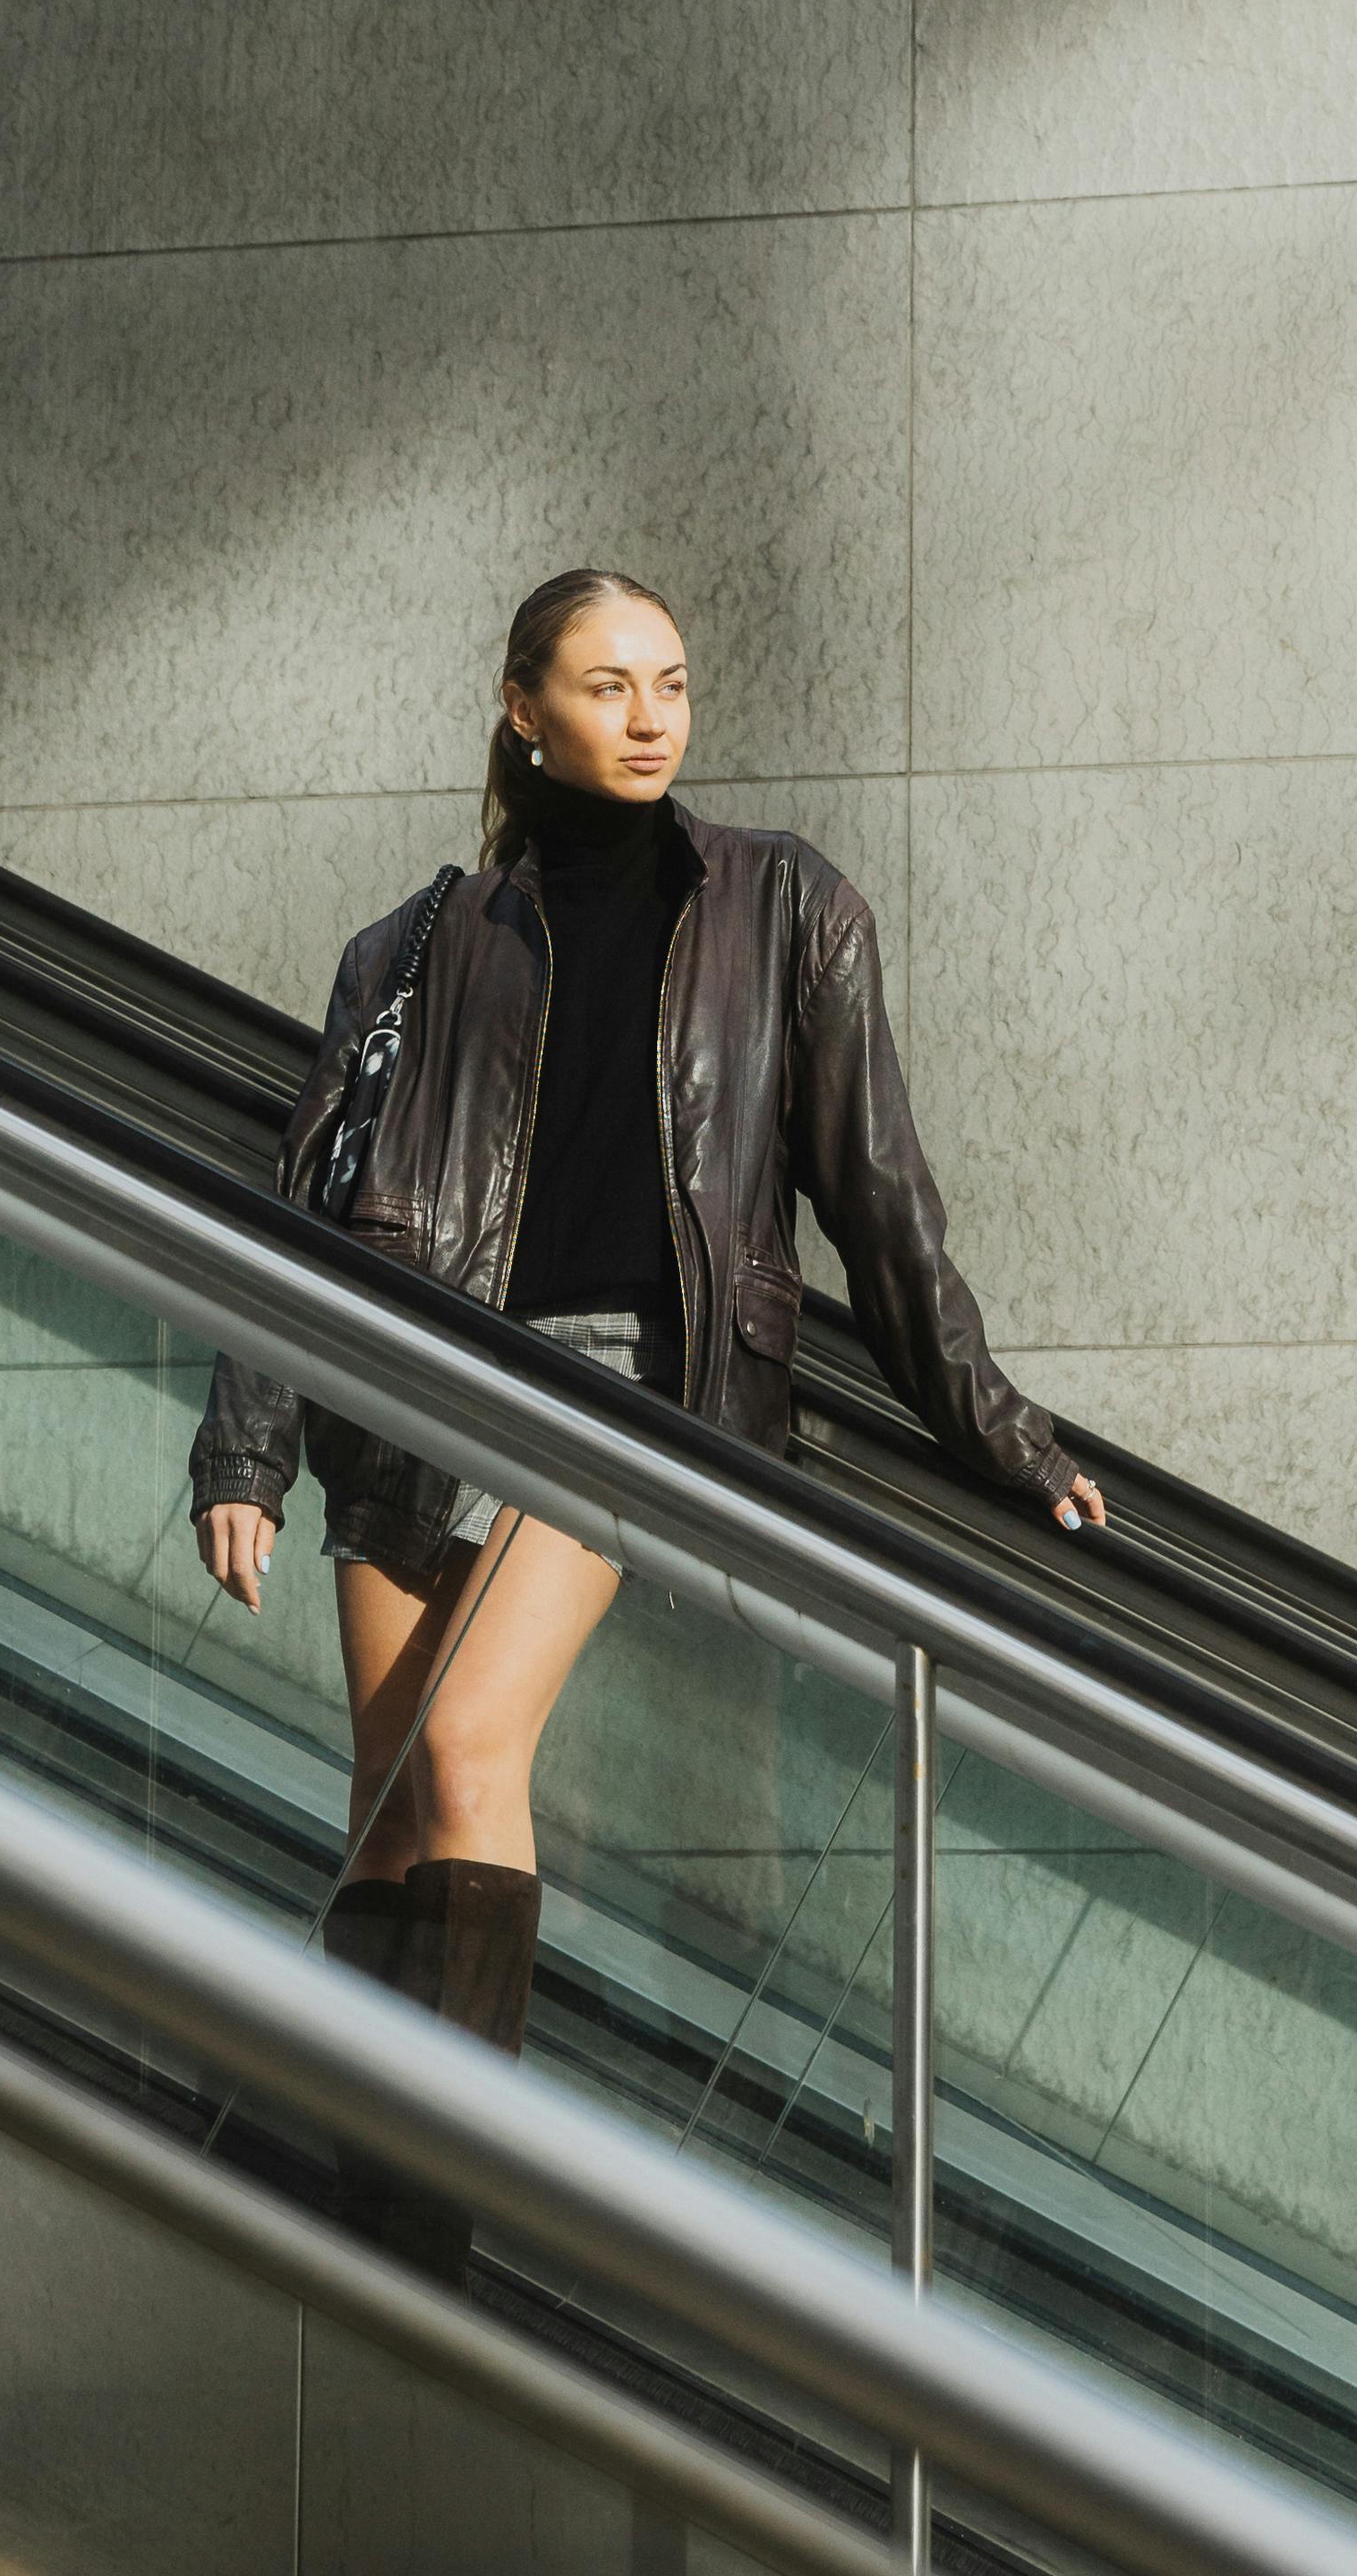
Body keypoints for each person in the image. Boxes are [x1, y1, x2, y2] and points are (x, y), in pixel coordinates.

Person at [188, 567, 1104, 2276]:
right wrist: (244, 1448)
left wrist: (1004, 1432)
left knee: (469, 1752)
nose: (649, 715)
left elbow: (880, 1201)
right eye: (606, 686)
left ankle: (439, 2230)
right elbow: (306, 1206)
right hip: (412, 1376)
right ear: (522, 706)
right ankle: (368, 2211)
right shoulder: (407, 949)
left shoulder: (784, 908)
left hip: (625, 1385)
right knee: (390, 1798)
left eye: (669, 682)